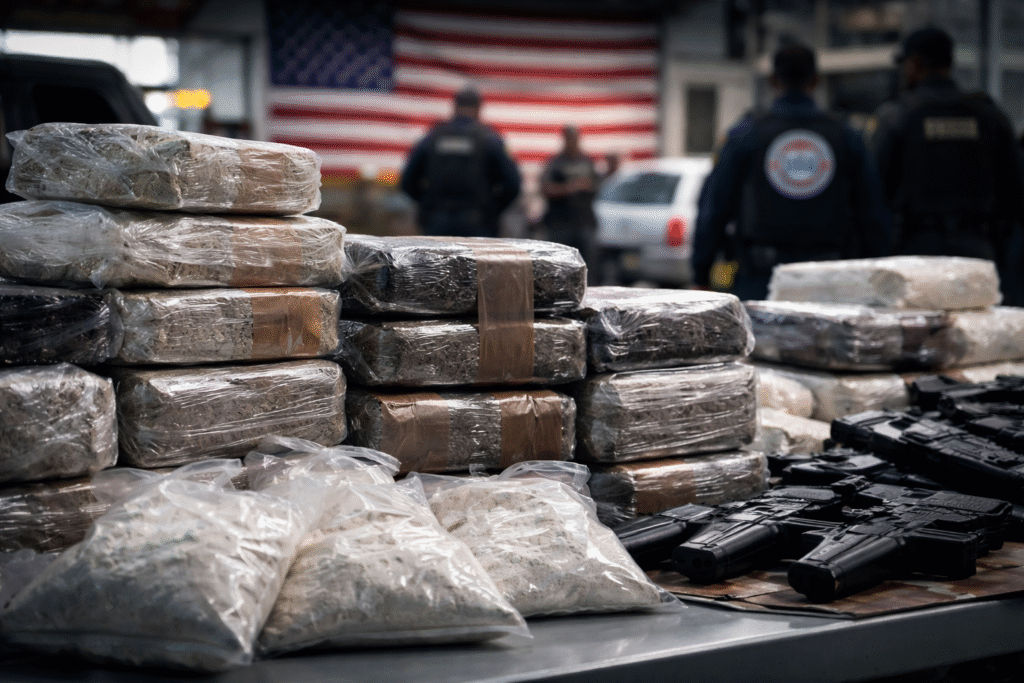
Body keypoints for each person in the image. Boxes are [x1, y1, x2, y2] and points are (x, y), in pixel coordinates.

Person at [692, 44, 893, 301]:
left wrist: (701, 273)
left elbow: (714, 208)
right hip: (830, 282)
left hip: (761, 279)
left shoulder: (747, 133)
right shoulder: (845, 135)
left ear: (773, 80)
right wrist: (878, 274)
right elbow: (872, 212)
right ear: (816, 81)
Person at [870, 27, 1024, 267]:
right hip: (977, 246)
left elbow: (876, 189)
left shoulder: (898, 116)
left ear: (915, 63)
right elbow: (1014, 189)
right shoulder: (988, 116)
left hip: (917, 248)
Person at [400, 87, 521, 238]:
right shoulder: (489, 139)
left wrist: (427, 204)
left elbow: (407, 180)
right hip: (478, 221)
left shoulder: (434, 137)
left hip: (437, 219)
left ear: (455, 106)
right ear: (478, 108)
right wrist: (493, 209)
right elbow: (513, 184)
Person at [540, 124, 601, 280]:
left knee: (588, 269)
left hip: (584, 222)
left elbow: (597, 186)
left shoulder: (587, 162)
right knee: (559, 269)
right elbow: (546, 189)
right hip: (560, 223)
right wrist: (569, 188)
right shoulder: (555, 163)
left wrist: (587, 186)